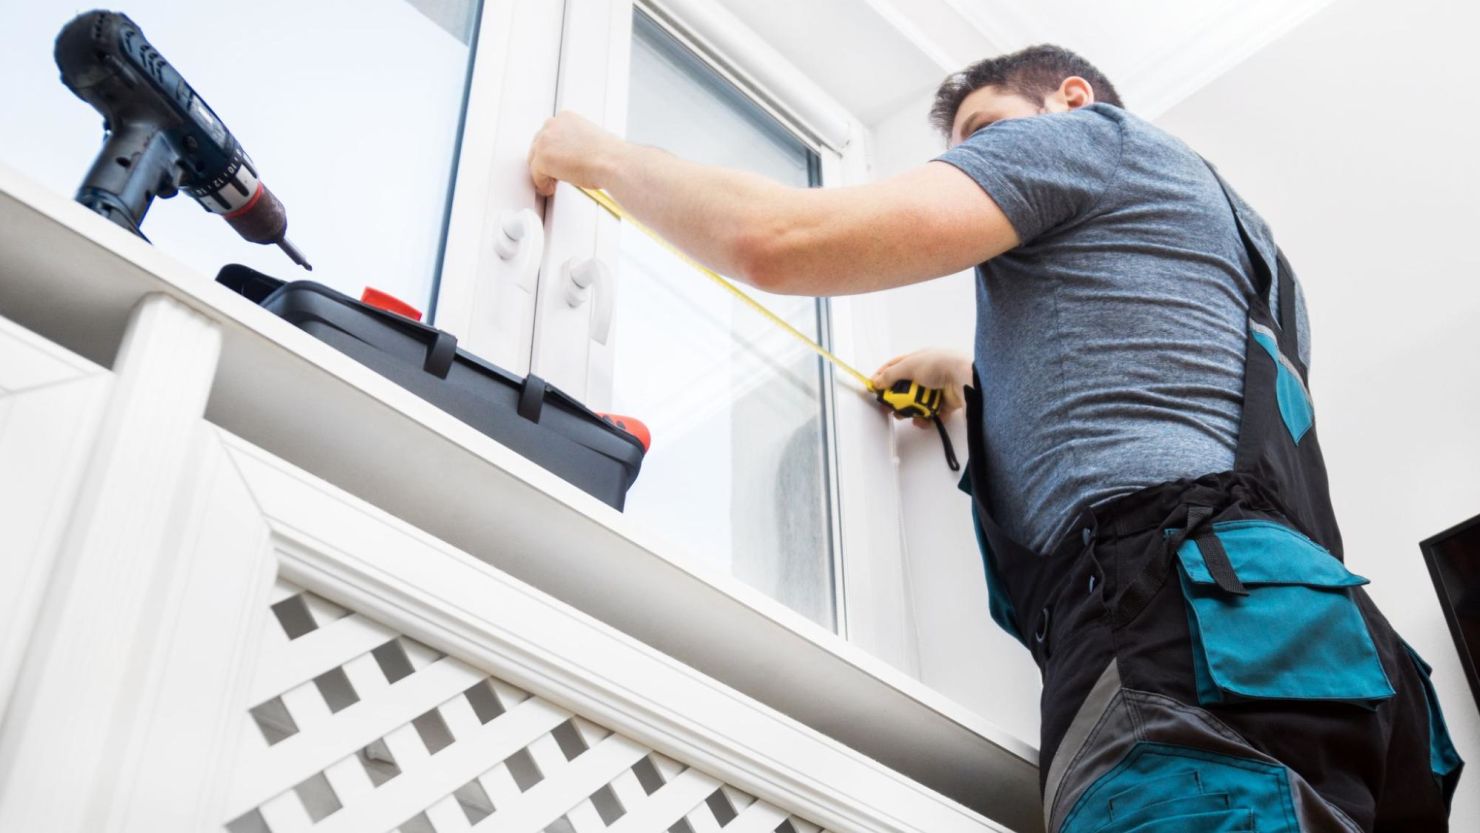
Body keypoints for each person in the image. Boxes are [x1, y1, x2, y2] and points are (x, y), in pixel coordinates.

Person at [528, 44, 1461, 832]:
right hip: (1341, 665)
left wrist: (600, 157)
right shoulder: (1256, 265)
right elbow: (1155, 403)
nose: (976, 159)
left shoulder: (1083, 141)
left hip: (1179, 643)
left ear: (1070, 99)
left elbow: (782, 237)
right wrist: (963, 378)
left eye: (982, 132)